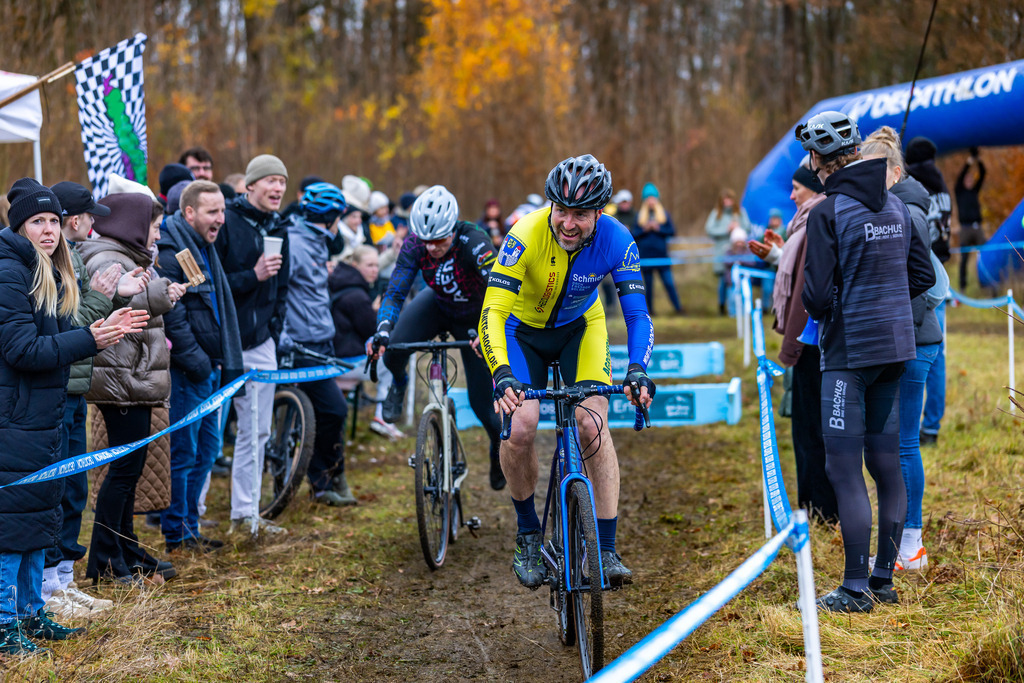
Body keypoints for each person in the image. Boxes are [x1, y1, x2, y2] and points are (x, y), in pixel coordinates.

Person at [480, 154, 656, 589]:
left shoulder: (618, 239)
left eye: (580, 213)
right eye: (561, 210)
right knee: (520, 426)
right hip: (522, 335)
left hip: (581, 329)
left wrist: (638, 369)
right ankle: (527, 534)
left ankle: (607, 548)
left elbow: (637, 315)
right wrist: (502, 372)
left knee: (591, 423)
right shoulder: (524, 236)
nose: (569, 223)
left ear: (600, 211)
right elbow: (492, 312)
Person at [798, 111, 934, 612]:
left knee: (844, 469)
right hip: (897, 348)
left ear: (820, 160)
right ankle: (882, 579)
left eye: (811, 158)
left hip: (849, 354)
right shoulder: (897, 205)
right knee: (886, 463)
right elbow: (922, 275)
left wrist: (844, 304)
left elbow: (813, 297)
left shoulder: (827, 211)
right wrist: (887, 301)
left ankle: (855, 589)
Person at [0, 179, 140, 655]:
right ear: (19, 224)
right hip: (13, 417)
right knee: (13, 522)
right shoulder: (8, 269)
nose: (48, 231)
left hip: (44, 414)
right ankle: (4, 621)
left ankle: (31, 613)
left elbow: (64, 336)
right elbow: (21, 349)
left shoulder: (52, 273)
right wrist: (91, 341)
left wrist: (100, 326)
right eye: (37, 221)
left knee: (41, 513)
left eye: (54, 222)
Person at [42, 182, 148, 619]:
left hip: (75, 386)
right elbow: (70, 327)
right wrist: (106, 298)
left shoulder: (71, 260)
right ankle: (48, 588)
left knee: (74, 489)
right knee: (55, 490)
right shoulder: (55, 264)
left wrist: (114, 302)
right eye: (89, 215)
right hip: (56, 391)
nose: (94, 222)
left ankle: (64, 580)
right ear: (75, 219)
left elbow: (84, 324)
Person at [367, 185, 506, 490]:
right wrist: (383, 328)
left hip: (474, 316)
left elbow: (498, 293)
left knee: (482, 404)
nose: (431, 248)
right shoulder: (415, 244)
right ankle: (400, 386)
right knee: (394, 347)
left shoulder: (474, 240)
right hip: (438, 305)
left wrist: (487, 331)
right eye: (426, 241)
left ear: (452, 230)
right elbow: (395, 292)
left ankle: (498, 446)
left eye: (439, 240)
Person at [80, 192, 185, 586]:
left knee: (130, 472)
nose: (157, 233)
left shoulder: (127, 256)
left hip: (131, 378)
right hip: (120, 380)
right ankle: (106, 561)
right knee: (123, 473)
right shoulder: (108, 258)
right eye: (153, 226)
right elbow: (108, 306)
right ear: (134, 225)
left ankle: (124, 548)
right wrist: (161, 294)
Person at [861, 127, 948, 572]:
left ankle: (911, 543)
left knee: (903, 445)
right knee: (893, 445)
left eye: (875, 170)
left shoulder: (909, 209)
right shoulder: (890, 203)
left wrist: (899, 325)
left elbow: (932, 282)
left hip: (915, 340)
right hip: (904, 338)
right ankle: (900, 538)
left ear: (895, 171)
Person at [156, 180, 244, 551]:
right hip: (191, 371)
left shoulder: (205, 246)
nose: (221, 219)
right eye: (212, 212)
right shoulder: (171, 249)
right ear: (189, 212)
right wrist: (198, 362)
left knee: (207, 450)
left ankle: (191, 525)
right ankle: (176, 532)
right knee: (184, 453)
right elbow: (174, 317)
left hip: (212, 368)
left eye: (222, 210)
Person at [216, 154, 291, 536]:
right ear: (250, 186)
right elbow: (213, 284)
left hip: (263, 342)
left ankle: (246, 516)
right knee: (209, 435)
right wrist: (254, 274)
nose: (278, 188)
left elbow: (283, 288)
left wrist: (273, 331)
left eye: (282, 181)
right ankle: (188, 522)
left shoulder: (280, 227)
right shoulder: (226, 221)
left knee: (258, 430)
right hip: (222, 342)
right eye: (270, 181)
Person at [765, 166, 835, 524]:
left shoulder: (814, 223)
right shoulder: (805, 224)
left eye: (796, 189)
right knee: (812, 428)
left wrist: (789, 347)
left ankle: (820, 511)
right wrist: (778, 256)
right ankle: (815, 505)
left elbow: (803, 296)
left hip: (812, 343)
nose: (791, 196)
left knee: (812, 430)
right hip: (815, 341)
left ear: (812, 188)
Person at [280, 182, 356, 506]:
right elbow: (279, 294)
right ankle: (321, 479)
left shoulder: (318, 241)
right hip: (301, 344)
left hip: (323, 340)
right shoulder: (295, 244)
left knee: (332, 414)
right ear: (332, 218)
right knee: (333, 410)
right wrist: (283, 336)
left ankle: (332, 477)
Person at [329, 245, 402, 439]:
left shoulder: (341, 283)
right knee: (390, 363)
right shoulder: (357, 296)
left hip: (335, 357)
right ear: (355, 265)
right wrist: (376, 313)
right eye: (369, 265)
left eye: (377, 266)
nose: (374, 271)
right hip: (344, 363)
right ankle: (382, 417)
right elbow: (371, 331)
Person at [905, 137, 950, 448]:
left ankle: (920, 425)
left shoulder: (916, 186)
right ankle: (931, 424)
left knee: (925, 354)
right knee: (937, 355)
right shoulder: (942, 184)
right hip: (941, 272)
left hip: (922, 277)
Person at [631, 182, 683, 316]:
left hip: (662, 256)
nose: (651, 201)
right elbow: (633, 234)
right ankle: (650, 312)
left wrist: (658, 229)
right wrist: (645, 229)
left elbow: (672, 231)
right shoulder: (639, 216)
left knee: (669, 284)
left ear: (657, 198)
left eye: (653, 198)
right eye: (648, 198)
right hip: (646, 257)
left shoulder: (664, 214)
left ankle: (678, 308)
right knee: (648, 287)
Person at [705, 188, 751, 315]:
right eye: (725, 199)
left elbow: (748, 227)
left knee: (738, 280)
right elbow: (709, 229)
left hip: (739, 252)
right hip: (722, 252)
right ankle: (721, 307)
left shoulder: (740, 213)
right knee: (723, 281)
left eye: (729, 199)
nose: (727, 202)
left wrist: (738, 228)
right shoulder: (716, 213)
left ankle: (739, 307)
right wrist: (726, 230)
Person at [955, 147, 986, 291]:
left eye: (971, 179)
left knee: (985, 253)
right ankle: (962, 287)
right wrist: (969, 162)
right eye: (967, 179)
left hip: (977, 227)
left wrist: (977, 159)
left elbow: (983, 173)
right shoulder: (959, 191)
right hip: (966, 228)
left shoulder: (974, 191)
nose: (969, 181)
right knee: (964, 259)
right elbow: (960, 177)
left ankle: (986, 283)